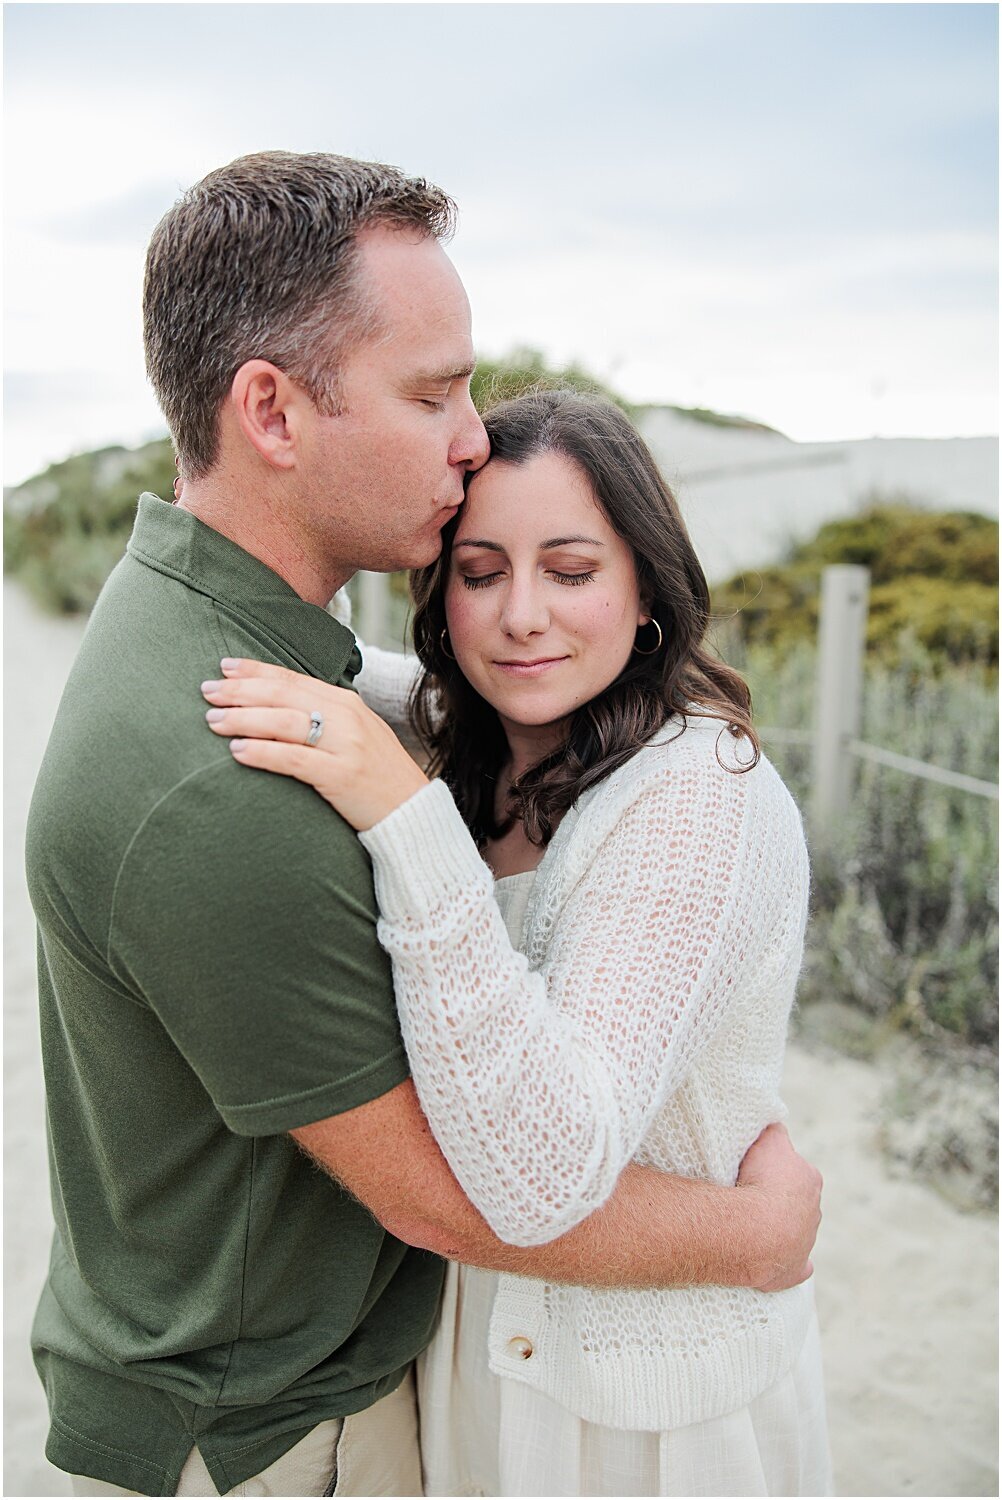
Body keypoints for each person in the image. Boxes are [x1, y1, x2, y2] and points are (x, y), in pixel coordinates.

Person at [26, 152, 822, 1499]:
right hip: (281, 1430)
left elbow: (407, 706)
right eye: (432, 390)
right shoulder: (234, 768)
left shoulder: (280, 670)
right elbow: (449, 1193)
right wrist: (746, 1233)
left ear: (644, 588)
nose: (468, 436)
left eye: (571, 569)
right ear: (272, 411)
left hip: (549, 1393)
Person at [202, 387, 833, 1497]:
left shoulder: (697, 797)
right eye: (481, 573)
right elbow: (369, 690)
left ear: (648, 591)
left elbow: (546, 1172)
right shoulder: (472, 747)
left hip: (655, 1404)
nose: (521, 615)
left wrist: (406, 822)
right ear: (440, 599)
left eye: (573, 571)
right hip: (477, 1358)